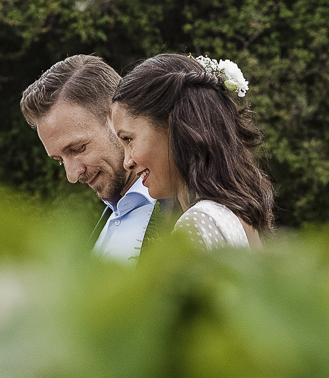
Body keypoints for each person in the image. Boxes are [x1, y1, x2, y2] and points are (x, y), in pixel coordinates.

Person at [110, 53, 273, 249]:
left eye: (129, 139)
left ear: (172, 126)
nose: (127, 162)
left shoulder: (199, 223)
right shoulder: (240, 215)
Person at [21, 54, 170, 262]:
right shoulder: (106, 222)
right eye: (59, 160)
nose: (72, 175)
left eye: (78, 148)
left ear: (118, 118)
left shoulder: (186, 207)